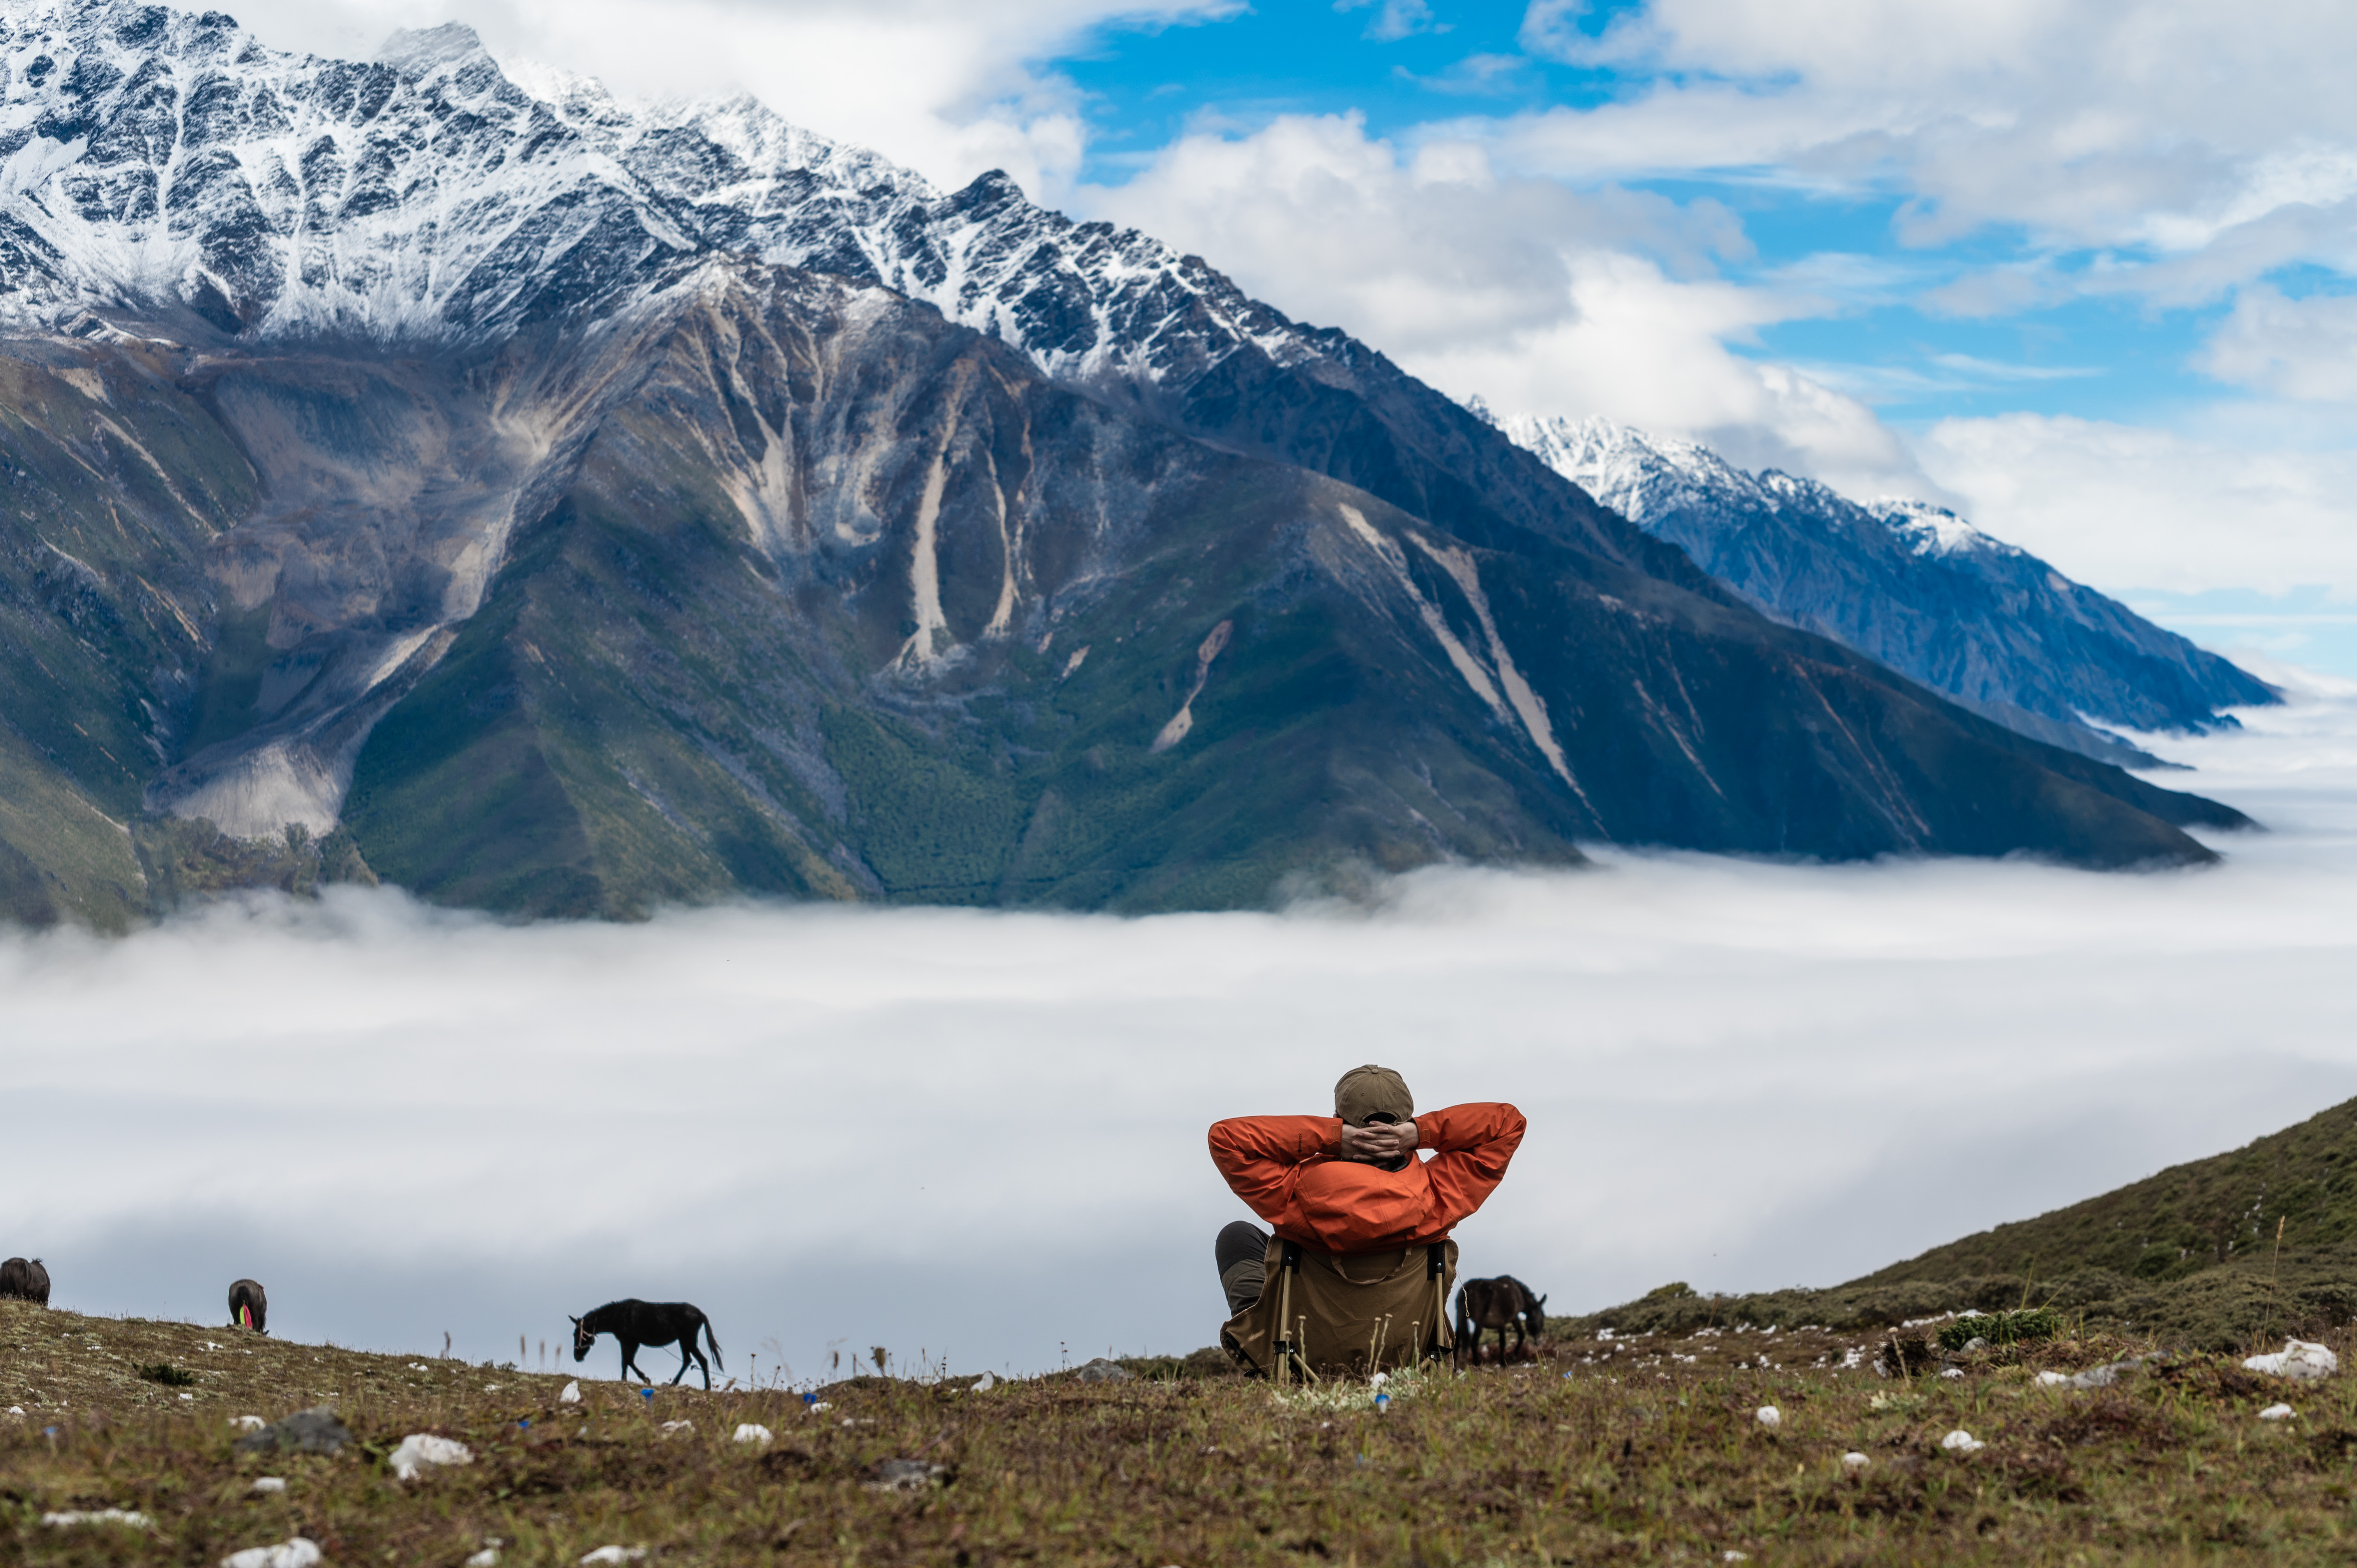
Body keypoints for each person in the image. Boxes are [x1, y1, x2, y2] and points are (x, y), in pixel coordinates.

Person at [1208, 1065, 1525, 1377]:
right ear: (1404, 1124)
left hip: (1304, 1355)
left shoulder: (1292, 1195)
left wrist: (1331, 1138)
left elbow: (1226, 1139)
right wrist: (1421, 1132)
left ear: (1338, 1120)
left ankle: (1264, 1348)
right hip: (1405, 1358)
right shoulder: (1441, 1196)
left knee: (1237, 1236)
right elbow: (1507, 1124)